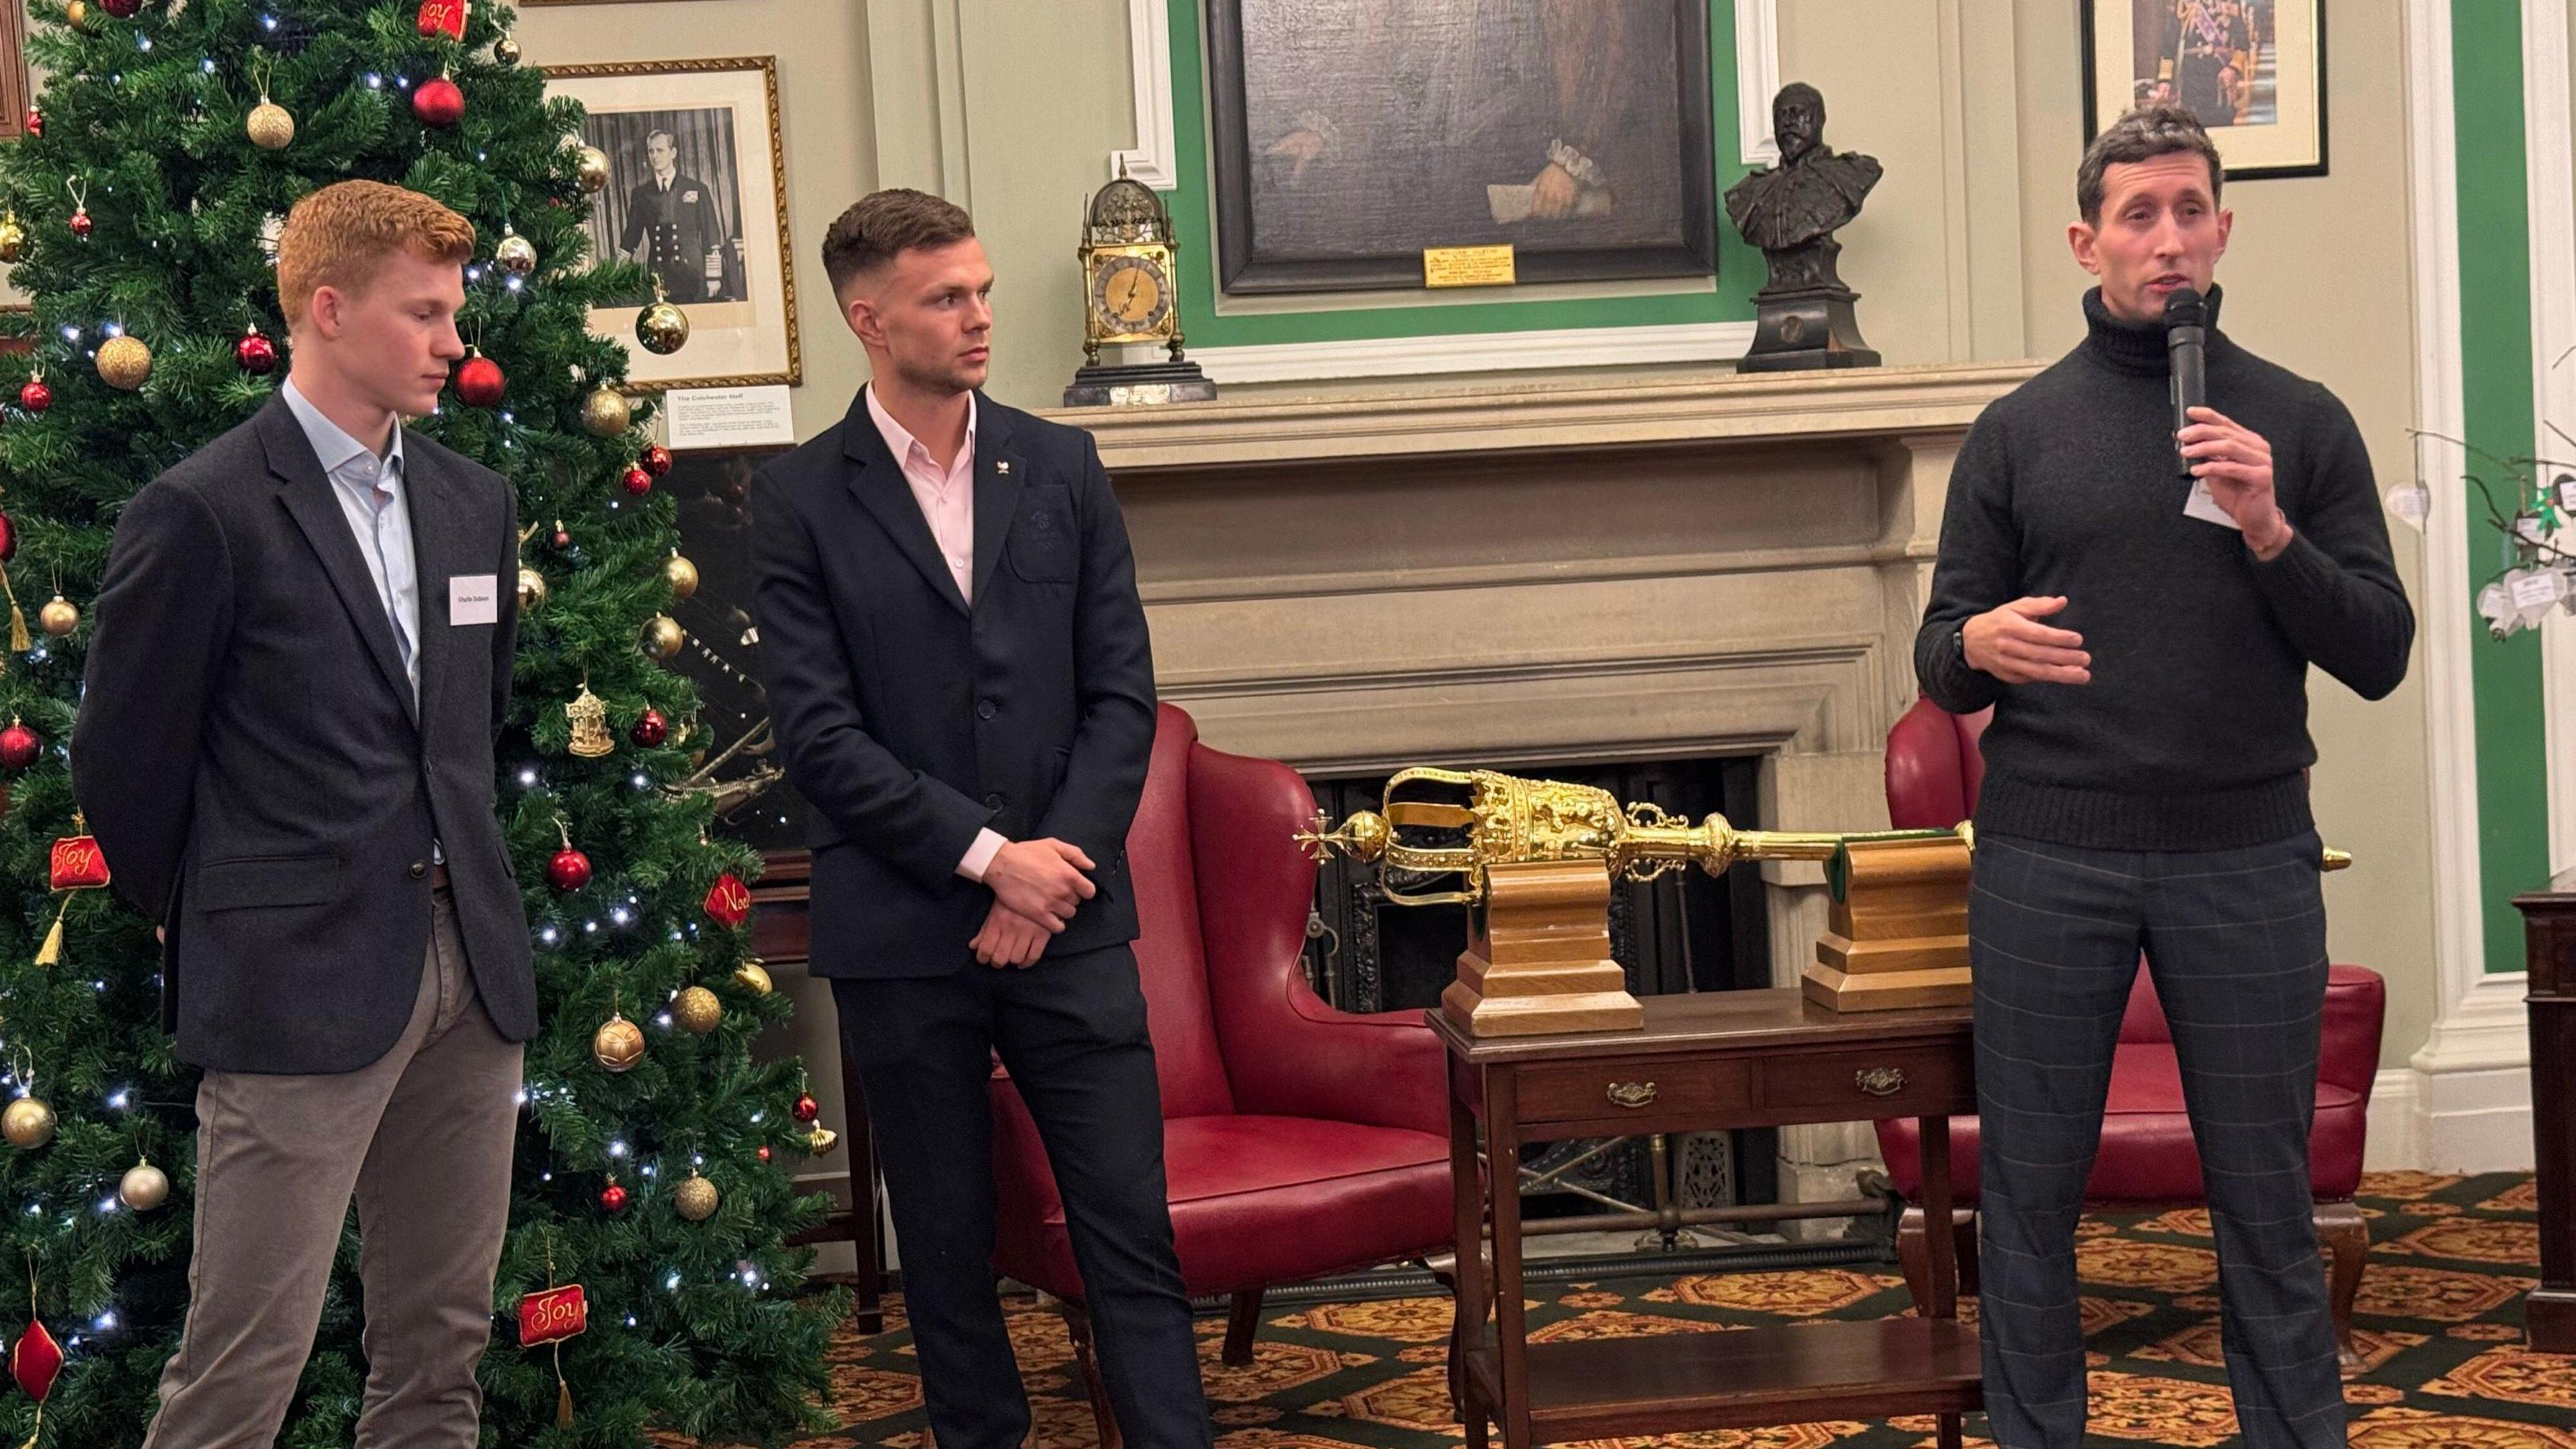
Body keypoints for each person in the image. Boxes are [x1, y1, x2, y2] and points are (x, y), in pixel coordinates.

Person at [1914, 105, 2410, 1449]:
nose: (2169, 241)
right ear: (2088, 242)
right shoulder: (2016, 434)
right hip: (2046, 858)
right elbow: (1940, 654)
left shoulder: (2298, 424)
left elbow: (2379, 652)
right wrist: (1975, 641)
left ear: (2224, 228)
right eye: (2140, 216)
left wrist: (2269, 528)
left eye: (2191, 211)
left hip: (2244, 856)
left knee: (2265, 1193)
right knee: (2026, 1193)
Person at [76, 180, 535, 1447]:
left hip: (470, 971)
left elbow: (469, 729)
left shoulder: (471, 503)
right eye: (427, 314)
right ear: (327, 309)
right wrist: (217, 915)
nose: (456, 342)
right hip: (291, 979)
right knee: (242, 1367)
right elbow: (121, 765)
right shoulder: (203, 509)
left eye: (458, 313)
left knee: (440, 1356)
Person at [749, 189, 1198, 1449]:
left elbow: (1122, 697)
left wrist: (1051, 875)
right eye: (949, 297)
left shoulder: (1060, 464)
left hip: (1073, 920)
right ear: (869, 316)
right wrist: (993, 863)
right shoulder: (797, 501)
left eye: (983, 290)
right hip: (903, 933)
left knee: (1131, 1241)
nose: (981, 316)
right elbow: (818, 741)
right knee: (945, 1261)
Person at [619, 128, 731, 302]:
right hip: (658, 275)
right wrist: (616, 271)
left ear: (673, 153)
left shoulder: (696, 189)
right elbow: (632, 236)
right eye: (651, 151)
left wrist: (714, 277)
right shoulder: (641, 194)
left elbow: (711, 234)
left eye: (660, 150)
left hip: (692, 274)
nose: (655, 156)